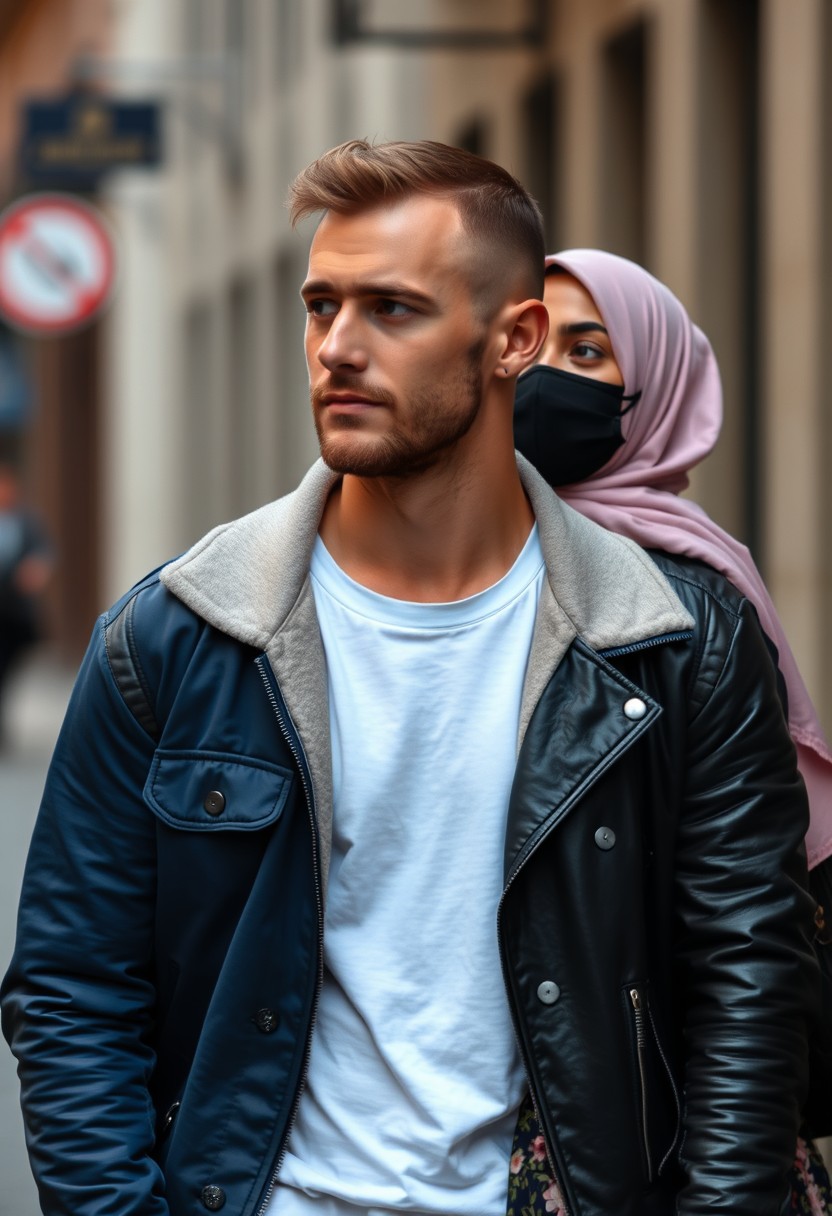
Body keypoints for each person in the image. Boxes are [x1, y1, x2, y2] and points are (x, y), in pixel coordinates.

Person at [0, 141, 819, 1216]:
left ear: (512, 339)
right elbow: (72, 985)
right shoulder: (173, 638)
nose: (336, 347)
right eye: (320, 304)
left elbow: (749, 979)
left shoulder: (675, 641)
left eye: (391, 309)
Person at [513, 246, 832, 1209]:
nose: (543, 378)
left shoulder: (695, 603)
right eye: (529, 344)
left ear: (650, 388)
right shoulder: (446, 576)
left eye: (588, 350)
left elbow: (748, 938)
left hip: (663, 1136)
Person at [0, 460, 52, 738]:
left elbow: (43, 553)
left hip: (14, 613)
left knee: (7, 667)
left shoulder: (27, 521)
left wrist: (35, 570)